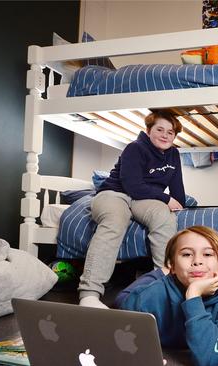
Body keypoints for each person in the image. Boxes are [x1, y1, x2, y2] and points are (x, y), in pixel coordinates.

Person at [78, 109, 186, 309]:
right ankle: (89, 295)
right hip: (115, 193)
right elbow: (132, 185)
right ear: (148, 130)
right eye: (160, 129)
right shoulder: (135, 148)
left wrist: (178, 203)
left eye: (170, 132)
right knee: (114, 221)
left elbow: (177, 190)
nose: (165, 135)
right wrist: (164, 197)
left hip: (143, 199)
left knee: (165, 216)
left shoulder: (174, 154)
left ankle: (162, 288)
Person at [116, 226, 218, 366]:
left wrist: (193, 296)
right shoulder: (153, 293)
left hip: (179, 277)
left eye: (208, 254)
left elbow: (211, 358)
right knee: (120, 299)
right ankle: (161, 272)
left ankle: (166, 272)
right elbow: (117, 323)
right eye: (186, 254)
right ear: (172, 266)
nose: (197, 261)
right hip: (157, 283)